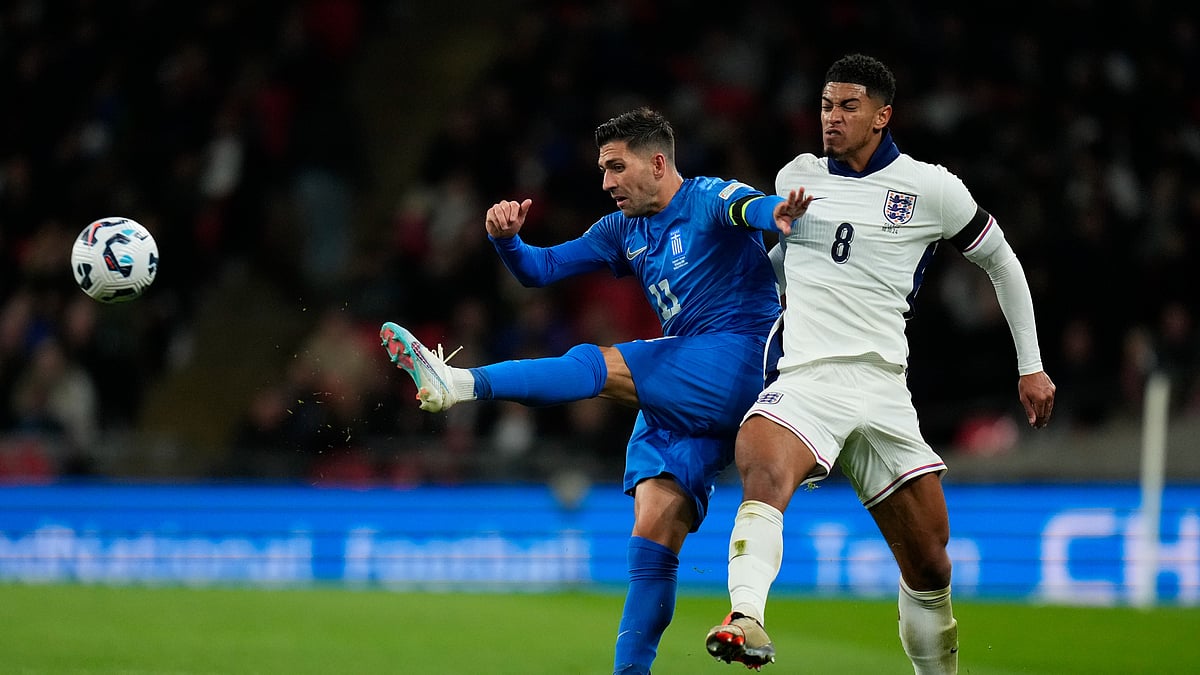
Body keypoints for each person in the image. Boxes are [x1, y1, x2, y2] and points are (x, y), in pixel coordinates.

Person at [379, 106, 812, 675]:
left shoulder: (706, 197)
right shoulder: (621, 230)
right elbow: (540, 270)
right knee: (652, 538)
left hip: (740, 358)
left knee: (595, 363)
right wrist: (507, 241)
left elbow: (748, 207)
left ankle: (459, 382)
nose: (606, 182)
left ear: (658, 164)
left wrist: (775, 211)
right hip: (684, 379)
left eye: (616, 167)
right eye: (603, 169)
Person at [703, 54, 1057, 674]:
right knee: (760, 458)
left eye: (848, 106)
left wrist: (1031, 365)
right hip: (808, 380)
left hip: (885, 387)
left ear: (882, 116)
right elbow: (784, 264)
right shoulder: (797, 176)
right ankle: (746, 616)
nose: (832, 118)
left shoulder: (932, 188)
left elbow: (1002, 262)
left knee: (931, 566)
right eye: (825, 106)